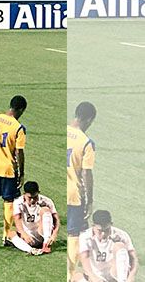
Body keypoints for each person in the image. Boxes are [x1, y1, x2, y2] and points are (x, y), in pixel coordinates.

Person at [0, 95, 27, 247]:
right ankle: (6, 236)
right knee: (9, 202)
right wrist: (21, 173)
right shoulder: (18, 128)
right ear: (21, 110)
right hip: (8, 169)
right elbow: (19, 152)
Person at [68, 101, 97, 277]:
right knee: (74, 234)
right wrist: (90, 200)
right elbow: (87, 174)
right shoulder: (86, 142)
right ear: (88, 119)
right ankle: (70, 275)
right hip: (74, 194)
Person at [75, 210, 138, 282]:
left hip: (114, 274)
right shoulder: (85, 237)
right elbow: (84, 258)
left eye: (106, 230)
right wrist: (93, 276)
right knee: (77, 277)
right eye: (99, 230)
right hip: (96, 276)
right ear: (93, 225)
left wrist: (131, 276)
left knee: (119, 246)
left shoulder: (121, 235)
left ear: (111, 224)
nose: (103, 234)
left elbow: (133, 258)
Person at [8, 181, 59, 256]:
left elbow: (56, 219)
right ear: (24, 194)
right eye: (29, 198)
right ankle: (31, 250)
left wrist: (54, 234)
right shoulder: (18, 202)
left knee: (45, 210)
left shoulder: (46, 201)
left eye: (35, 197)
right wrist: (24, 234)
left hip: (42, 232)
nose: (32, 200)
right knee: (11, 234)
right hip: (29, 235)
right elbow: (17, 219)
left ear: (38, 192)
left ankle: (46, 244)